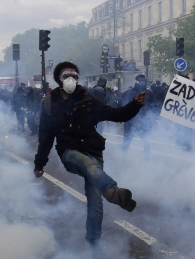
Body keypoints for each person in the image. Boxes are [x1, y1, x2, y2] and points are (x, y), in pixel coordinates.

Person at [34, 62, 146, 247]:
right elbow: (45, 138)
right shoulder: (49, 104)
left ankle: (94, 242)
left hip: (93, 150)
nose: (71, 79)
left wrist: (135, 104)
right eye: (66, 76)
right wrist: (39, 164)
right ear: (58, 80)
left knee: (95, 203)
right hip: (69, 152)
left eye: (75, 76)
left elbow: (116, 114)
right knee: (88, 166)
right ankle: (114, 193)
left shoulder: (88, 99)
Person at [120, 74, 156, 161]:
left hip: (141, 121)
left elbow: (154, 107)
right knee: (129, 140)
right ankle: (124, 158)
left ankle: (145, 159)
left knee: (144, 141)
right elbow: (122, 105)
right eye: (141, 81)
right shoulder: (130, 93)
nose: (143, 82)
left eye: (143, 80)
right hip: (133, 121)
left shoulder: (148, 94)